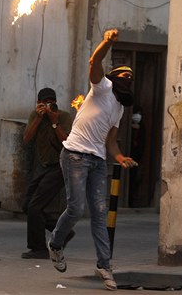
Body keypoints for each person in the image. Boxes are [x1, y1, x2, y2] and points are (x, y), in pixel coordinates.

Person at [47, 29, 138, 291]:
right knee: (76, 208)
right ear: (115, 78)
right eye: (124, 76)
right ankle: (55, 244)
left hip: (98, 161)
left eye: (131, 79)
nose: (127, 80)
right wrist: (107, 43)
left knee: (99, 213)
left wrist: (119, 157)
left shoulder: (119, 108)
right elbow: (94, 63)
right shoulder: (103, 87)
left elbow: (110, 140)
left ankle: (104, 265)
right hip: (75, 154)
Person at [21, 87, 75, 259]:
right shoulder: (35, 115)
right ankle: (63, 232)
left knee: (35, 206)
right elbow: (27, 139)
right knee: (27, 205)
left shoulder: (63, 116)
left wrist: (54, 121)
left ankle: (38, 248)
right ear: (38, 103)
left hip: (60, 166)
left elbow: (67, 142)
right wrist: (38, 118)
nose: (47, 105)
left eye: (51, 102)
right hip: (43, 166)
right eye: (43, 103)